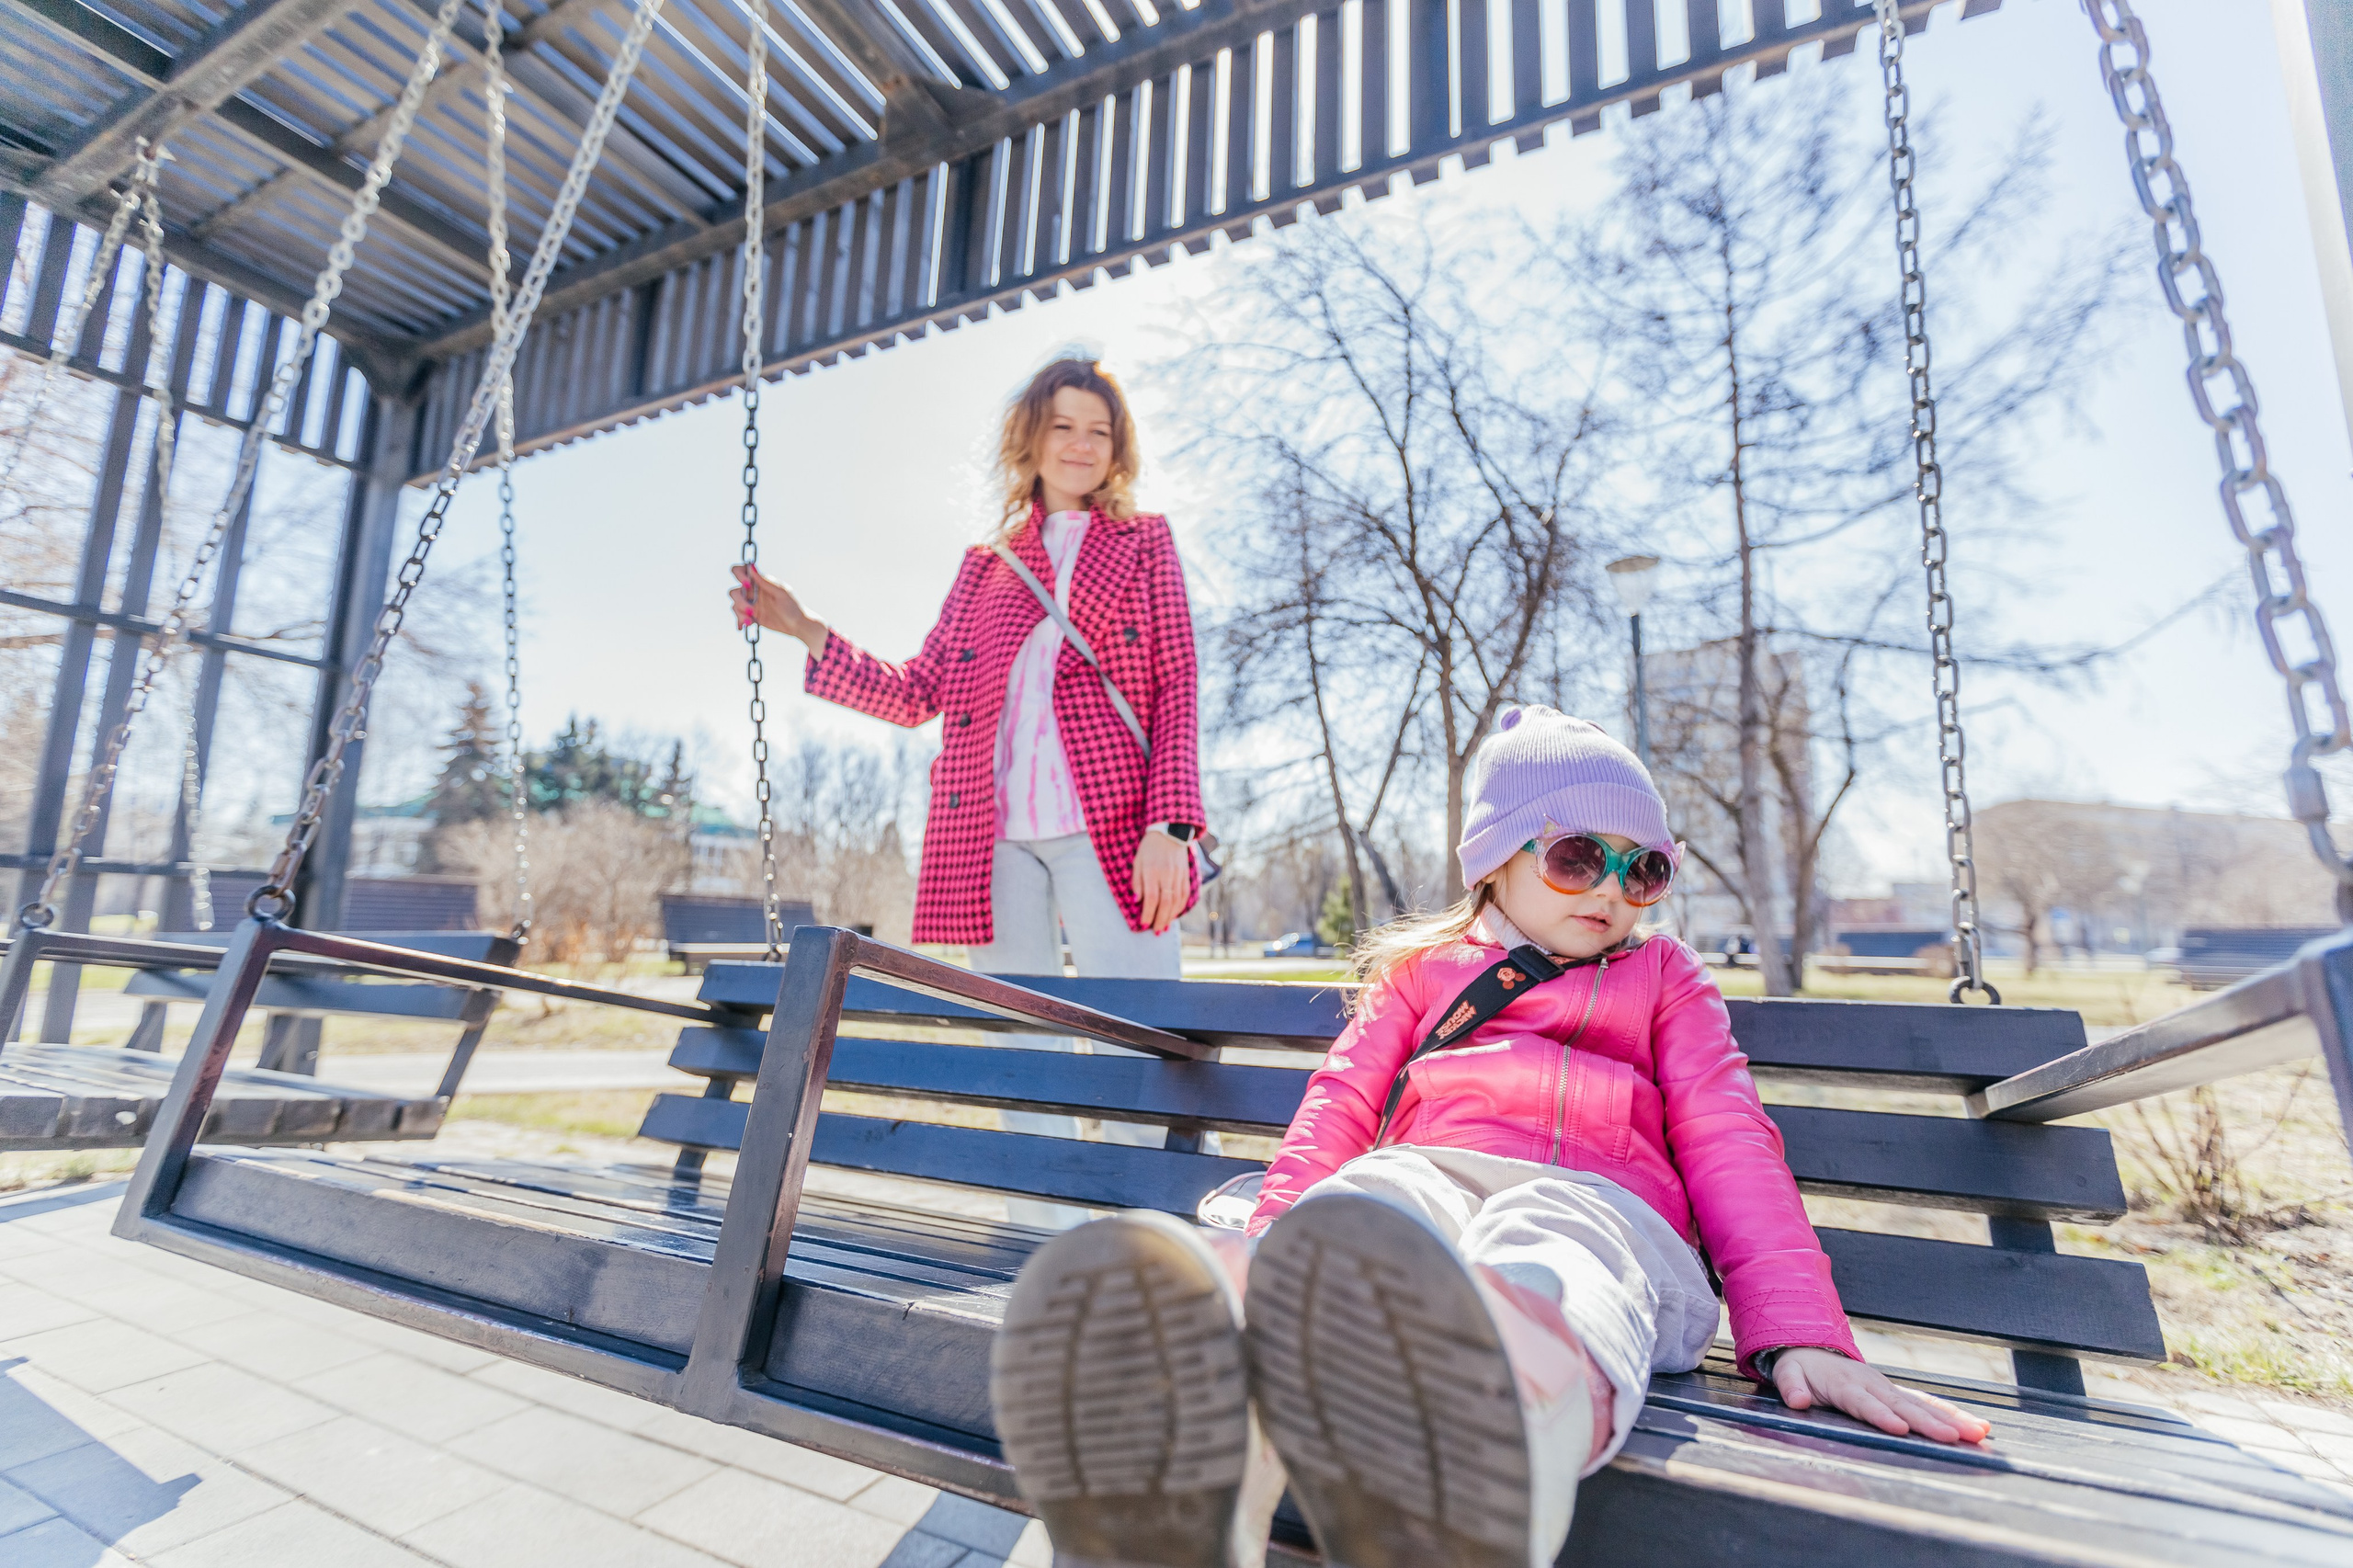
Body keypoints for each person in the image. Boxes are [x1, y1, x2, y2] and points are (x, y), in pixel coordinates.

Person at [987, 708, 1992, 1568]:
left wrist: (1798, 1325)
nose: (1609, 888)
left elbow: (1730, 1136)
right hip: (1428, 1182)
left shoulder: (1667, 980)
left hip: (1609, 1210)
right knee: (1370, 1206)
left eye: (1643, 869)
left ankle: (1509, 1416)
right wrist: (1274, 1233)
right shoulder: (1425, 973)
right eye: (1574, 855)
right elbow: (1339, 1100)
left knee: (1553, 1225)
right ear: (1495, 859)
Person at [728, 357, 1206, 1224]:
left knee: (1139, 1028)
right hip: (991, 838)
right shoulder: (986, 567)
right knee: (1024, 1040)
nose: (1080, 444)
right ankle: (1042, 1221)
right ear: (1030, 437)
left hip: (1119, 826)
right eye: (1063, 425)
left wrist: (1172, 824)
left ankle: (1159, 1221)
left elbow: (1177, 684)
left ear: (1118, 448)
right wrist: (803, 630)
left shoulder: (1145, 543)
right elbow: (918, 692)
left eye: (1099, 429)